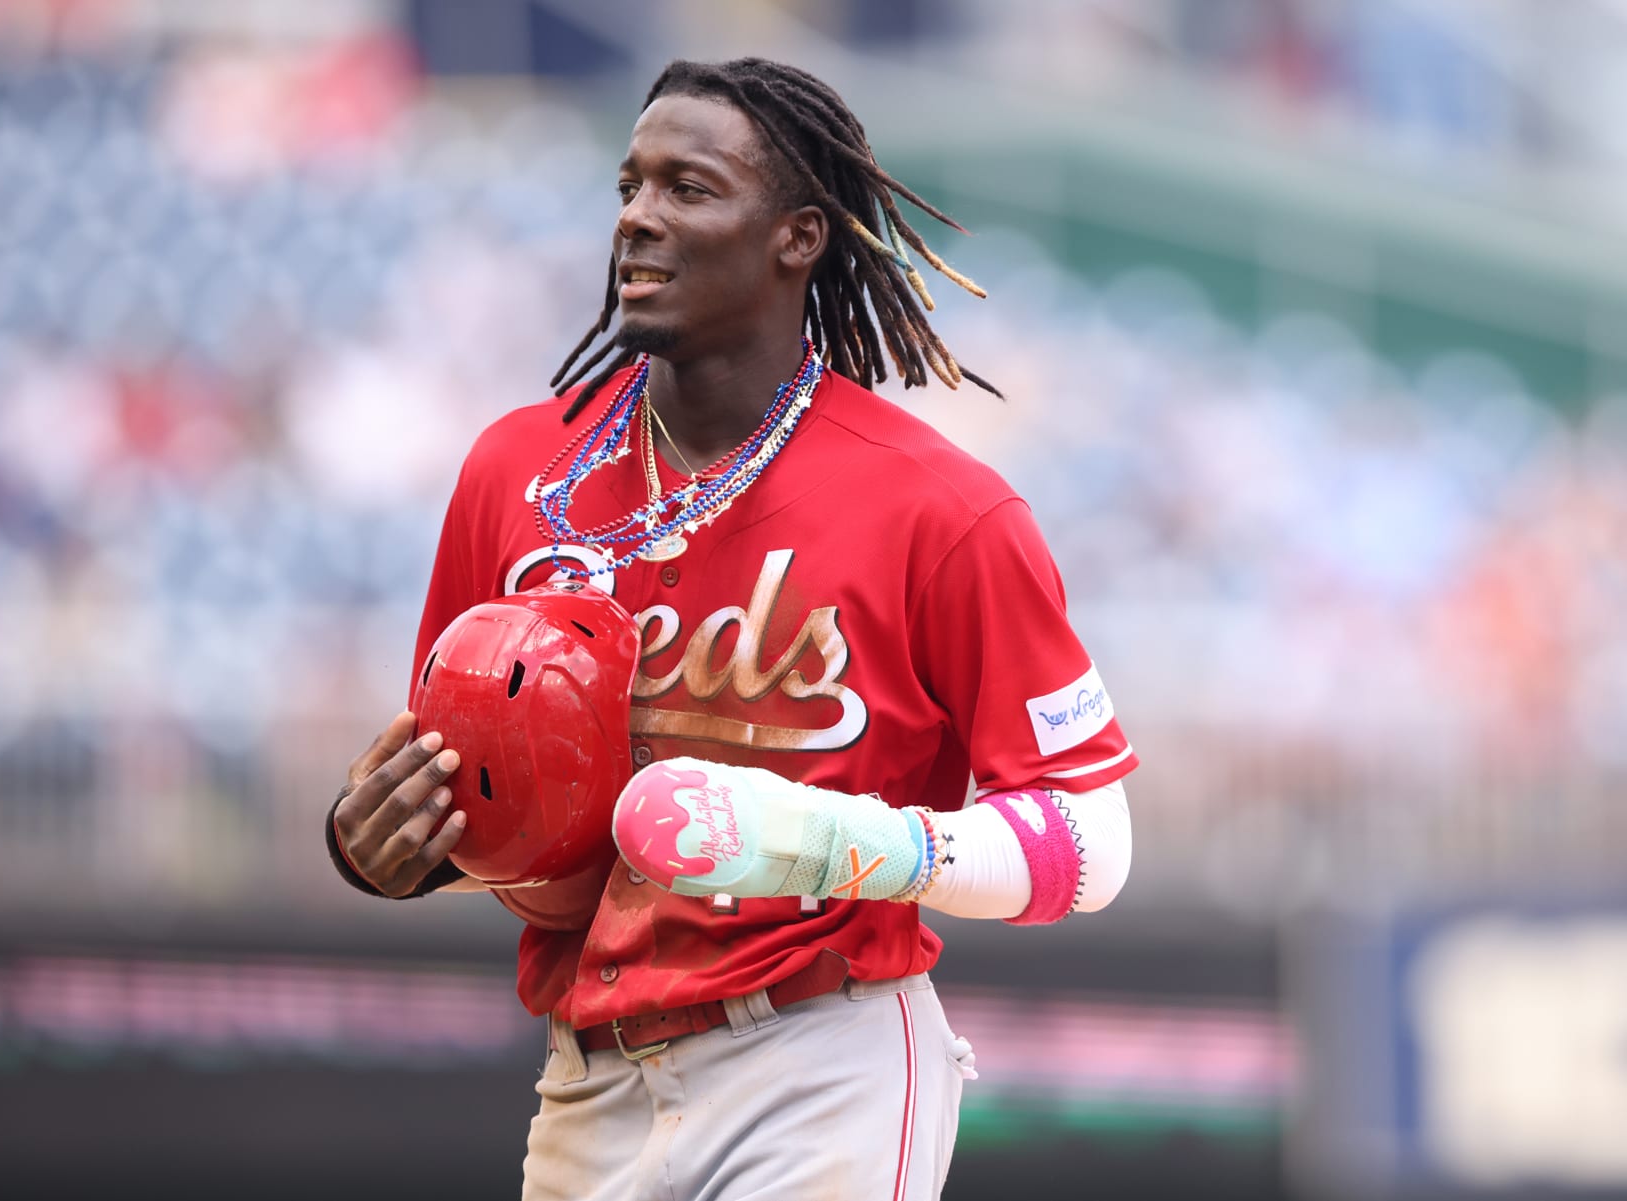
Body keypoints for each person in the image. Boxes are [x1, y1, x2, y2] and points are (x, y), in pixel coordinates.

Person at [327, 57, 1137, 1201]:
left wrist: (837, 841)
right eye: (628, 187)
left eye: (688, 189)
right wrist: (387, 851)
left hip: (821, 1062)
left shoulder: (940, 508)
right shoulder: (514, 471)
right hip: (591, 1076)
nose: (638, 220)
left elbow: (1092, 843)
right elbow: (499, 822)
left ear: (797, 236)